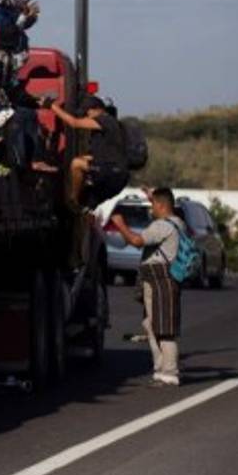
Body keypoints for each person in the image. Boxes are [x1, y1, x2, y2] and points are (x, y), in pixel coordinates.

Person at [109, 187, 186, 386]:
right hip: (157, 279)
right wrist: (153, 196)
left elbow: (136, 241)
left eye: (153, 204)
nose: (150, 208)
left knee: (164, 327)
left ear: (161, 206)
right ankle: (160, 369)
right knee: (151, 324)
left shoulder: (162, 226)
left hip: (161, 279)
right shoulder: (177, 222)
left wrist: (120, 224)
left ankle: (169, 372)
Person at [52, 95, 130, 209]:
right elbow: (102, 155)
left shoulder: (104, 120)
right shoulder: (112, 128)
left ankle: (73, 199)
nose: (87, 116)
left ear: (97, 109)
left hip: (110, 172)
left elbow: (74, 123)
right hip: (118, 175)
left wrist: (52, 106)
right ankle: (85, 209)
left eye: (88, 113)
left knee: (76, 164)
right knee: (87, 202)